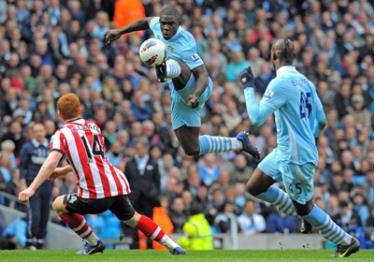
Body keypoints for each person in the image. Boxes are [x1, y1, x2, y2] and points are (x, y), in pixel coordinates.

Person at [18, 93, 185, 255]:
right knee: (133, 218)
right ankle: (173, 245)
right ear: (80, 110)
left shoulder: (62, 134)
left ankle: (93, 243)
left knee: (58, 204)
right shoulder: (94, 127)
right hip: (115, 185)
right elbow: (91, 159)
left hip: (95, 193)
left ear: (59, 114)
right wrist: (63, 171)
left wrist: (31, 188)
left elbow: (52, 161)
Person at [239, 38, 360, 258]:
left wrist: (248, 87)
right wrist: (308, 136)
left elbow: (255, 119)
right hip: (286, 151)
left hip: (295, 157)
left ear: (273, 57)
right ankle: (304, 214)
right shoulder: (307, 83)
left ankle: (346, 240)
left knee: (305, 209)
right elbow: (322, 121)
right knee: (255, 186)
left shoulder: (280, 83)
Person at [104, 6, 260, 160]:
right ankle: (239, 143)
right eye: (163, 23)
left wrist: (196, 95)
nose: (165, 27)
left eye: (170, 24)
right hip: (179, 95)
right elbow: (145, 21)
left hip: (197, 87)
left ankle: (165, 68)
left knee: (173, 60)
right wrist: (120, 31)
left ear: (178, 24)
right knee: (191, 148)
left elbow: (203, 74)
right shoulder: (158, 25)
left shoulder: (186, 42)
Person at [19, 123, 52, 249]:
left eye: (41, 130)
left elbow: (55, 165)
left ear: (45, 131)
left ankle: (39, 241)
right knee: (35, 214)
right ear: (32, 133)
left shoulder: (50, 147)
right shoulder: (27, 147)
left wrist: (55, 184)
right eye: (36, 131)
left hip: (47, 184)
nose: (39, 133)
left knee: (45, 214)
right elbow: (22, 167)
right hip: (32, 185)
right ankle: (29, 240)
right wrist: (22, 183)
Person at [125, 137, 160, 249]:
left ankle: (150, 245)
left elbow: (157, 181)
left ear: (146, 149)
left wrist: (153, 193)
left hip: (148, 198)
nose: (140, 150)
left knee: (149, 223)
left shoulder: (153, 163)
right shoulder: (130, 163)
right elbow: (126, 180)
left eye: (142, 148)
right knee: (134, 222)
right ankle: (134, 246)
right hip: (134, 198)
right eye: (138, 148)